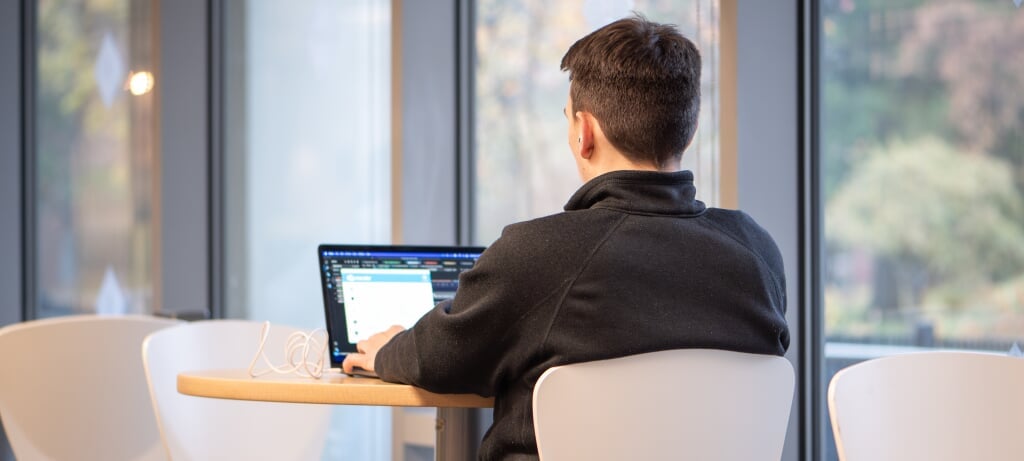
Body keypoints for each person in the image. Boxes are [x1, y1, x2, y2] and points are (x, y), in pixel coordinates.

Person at [343, 14, 789, 461]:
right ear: (689, 132)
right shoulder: (756, 252)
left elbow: (437, 358)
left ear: (584, 132)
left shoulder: (539, 254)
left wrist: (390, 349)